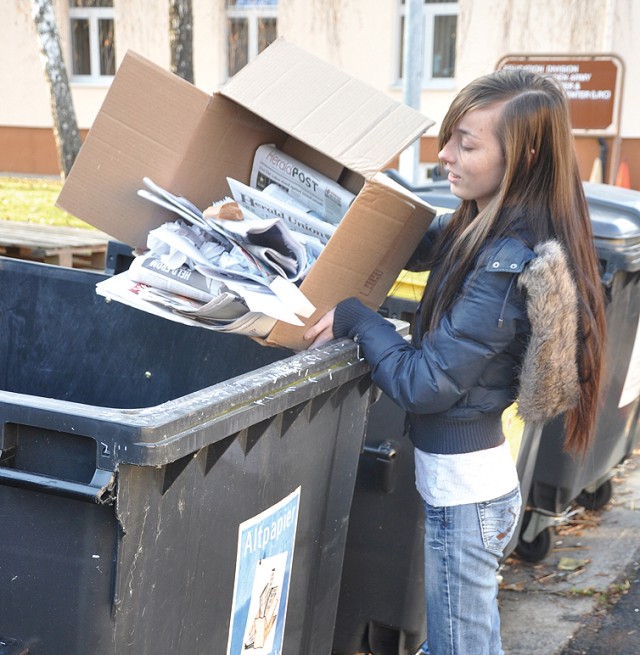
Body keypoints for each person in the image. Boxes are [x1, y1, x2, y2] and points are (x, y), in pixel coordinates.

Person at [304, 68, 607, 655]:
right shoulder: (482, 222)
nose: (444, 154)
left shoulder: (506, 261)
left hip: (466, 503)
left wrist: (357, 319)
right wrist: (358, 188)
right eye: (448, 138)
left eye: (466, 144)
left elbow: (425, 384)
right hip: (467, 491)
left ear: (524, 155)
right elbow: (413, 240)